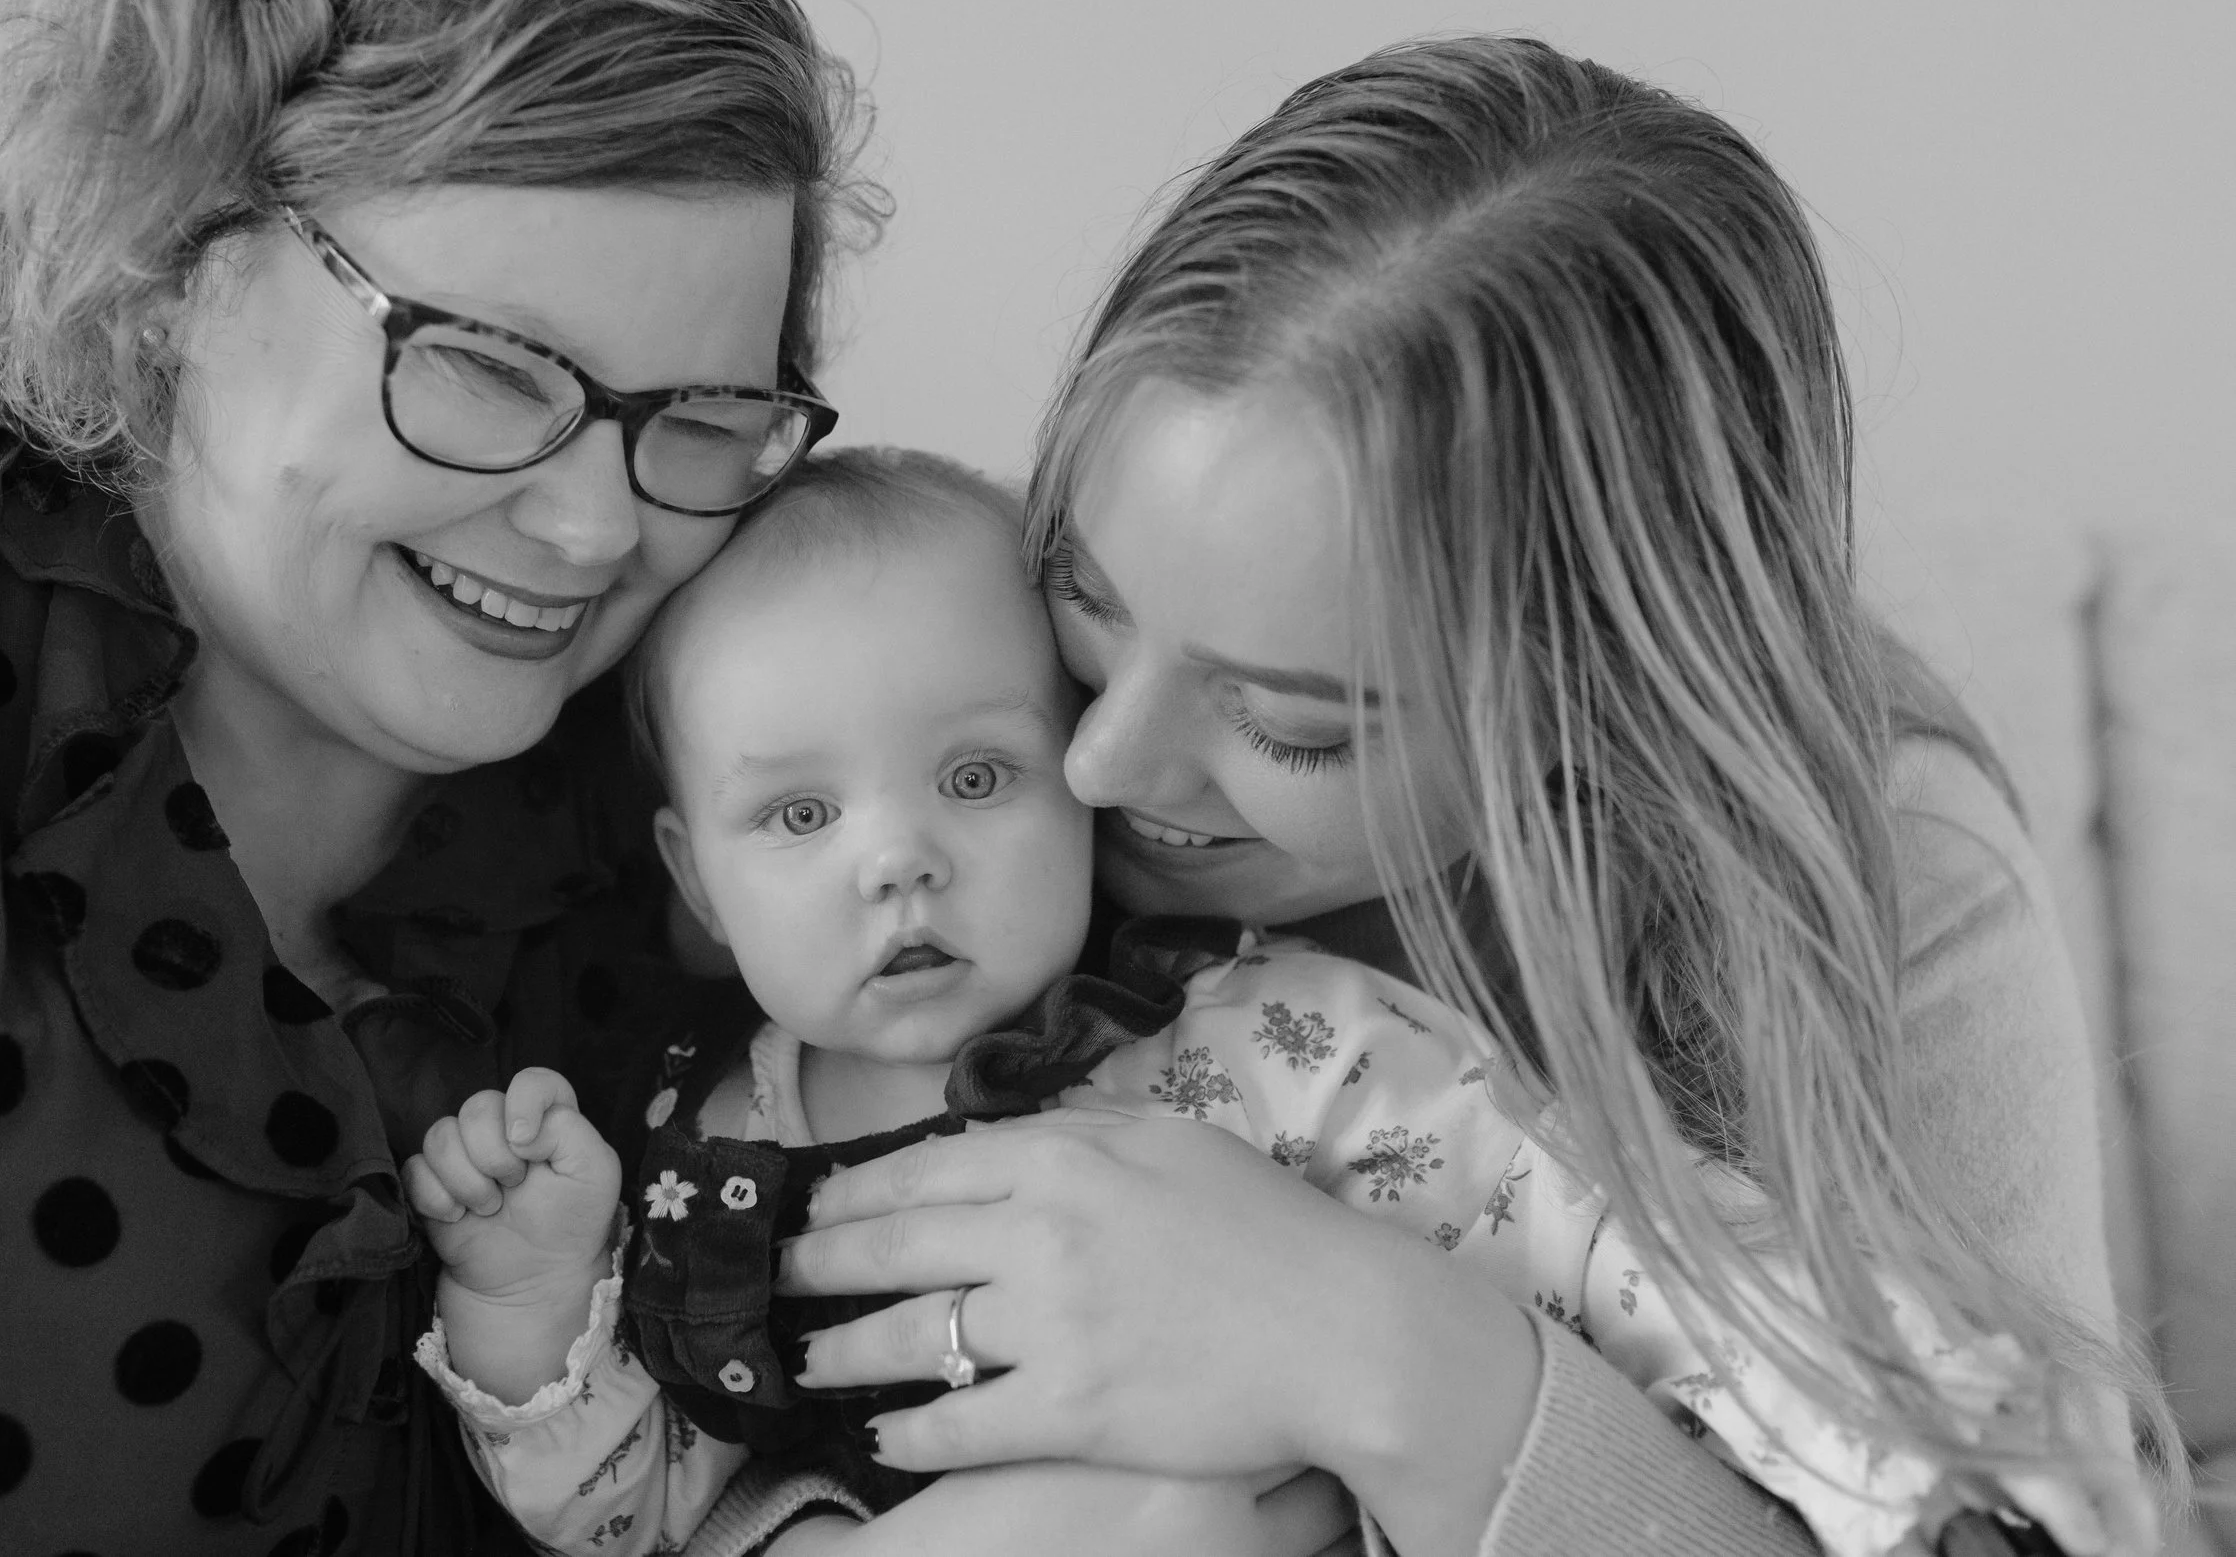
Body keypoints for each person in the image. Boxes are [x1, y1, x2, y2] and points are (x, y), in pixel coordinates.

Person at [756, 39, 2183, 1557]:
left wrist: (1395, 1368)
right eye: (1086, 597)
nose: (1101, 761)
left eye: (1291, 722)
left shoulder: (1885, 870)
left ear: (1593, 705)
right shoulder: (934, 688)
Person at [0, 0, 876, 1548]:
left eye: (700, 415)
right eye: (490, 365)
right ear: (166, 268)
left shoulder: (735, 771)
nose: (594, 528)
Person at [405, 447, 2094, 1557]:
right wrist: (528, 1308)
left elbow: (1638, 1254)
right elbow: (628, 1515)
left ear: (1073, 781)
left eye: (977, 775)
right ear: (698, 882)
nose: (898, 860)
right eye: (797, 814)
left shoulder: (1276, 1044)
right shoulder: (690, 1154)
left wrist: (1916, 1465)